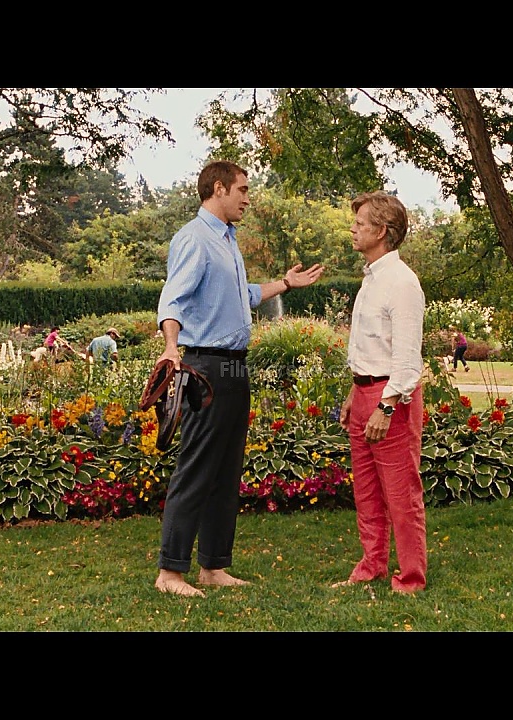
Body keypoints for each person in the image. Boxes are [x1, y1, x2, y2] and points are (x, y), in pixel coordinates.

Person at [154, 159, 324, 598]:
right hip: (205, 367)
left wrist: (285, 284)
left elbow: (243, 296)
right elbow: (172, 300)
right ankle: (170, 573)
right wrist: (171, 348)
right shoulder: (194, 239)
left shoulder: (228, 242)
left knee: (225, 472)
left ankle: (213, 567)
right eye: (243, 190)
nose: (248, 198)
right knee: (196, 468)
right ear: (218, 188)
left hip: (233, 367)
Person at [334, 191, 428, 594]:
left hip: (392, 400)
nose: (352, 228)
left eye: (360, 223)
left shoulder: (402, 283)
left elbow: (406, 358)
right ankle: (372, 565)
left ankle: (411, 577)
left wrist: (385, 407)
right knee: (368, 491)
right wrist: (353, 395)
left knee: (401, 494)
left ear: (382, 231)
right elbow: (371, 348)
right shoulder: (371, 279)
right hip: (364, 394)